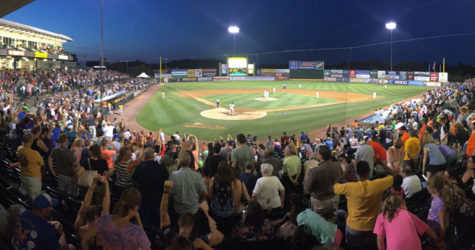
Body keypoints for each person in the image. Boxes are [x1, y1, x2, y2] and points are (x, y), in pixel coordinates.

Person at [333, 161, 394, 249]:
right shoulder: (378, 184)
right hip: (373, 225)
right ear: (369, 171)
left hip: (354, 227)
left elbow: (334, 186)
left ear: (356, 172)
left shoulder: (349, 187)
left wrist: (346, 171)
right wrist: (381, 163)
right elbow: (395, 176)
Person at [81, 187, 150, 250]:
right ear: (136, 207)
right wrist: (139, 220)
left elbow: (84, 241)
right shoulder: (137, 231)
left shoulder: (104, 220)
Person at [373, 194, 443, 250]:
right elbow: (428, 230)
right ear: (401, 205)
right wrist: (438, 241)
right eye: (405, 205)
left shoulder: (382, 216)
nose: (406, 207)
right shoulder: (408, 214)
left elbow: (380, 239)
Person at [304, 145, 342, 222]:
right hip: (335, 198)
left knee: (319, 224)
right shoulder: (338, 166)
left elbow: (307, 189)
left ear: (320, 156)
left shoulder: (314, 171)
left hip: (321, 202)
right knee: (332, 221)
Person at [133, 147, 169, 227]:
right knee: (157, 224)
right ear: (153, 156)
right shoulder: (161, 167)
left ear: (144, 156)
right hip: (157, 200)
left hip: (144, 199)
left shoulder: (139, 167)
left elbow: (135, 181)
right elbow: (167, 180)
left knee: (145, 223)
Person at [14, 133, 44, 199]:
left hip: (23, 175)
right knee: (35, 199)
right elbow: (42, 164)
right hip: (33, 178)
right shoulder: (35, 154)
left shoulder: (19, 149)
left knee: (26, 195)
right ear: (31, 141)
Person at [426, 173, 449, 247]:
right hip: (433, 224)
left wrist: (440, 240)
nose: (427, 190)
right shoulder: (437, 195)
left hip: (436, 230)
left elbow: (443, 225)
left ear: (434, 189)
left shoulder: (439, 202)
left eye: (428, 188)